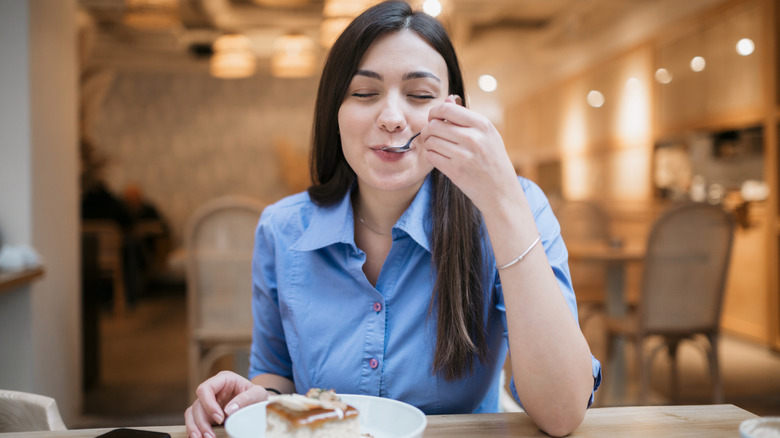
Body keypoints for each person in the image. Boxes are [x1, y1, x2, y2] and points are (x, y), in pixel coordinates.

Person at [184, 2, 601, 437]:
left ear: (452, 111)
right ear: (334, 112)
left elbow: (562, 413)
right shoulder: (282, 229)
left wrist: (501, 201)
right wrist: (255, 400)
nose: (392, 119)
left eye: (420, 95)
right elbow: (276, 377)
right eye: (365, 94)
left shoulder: (515, 207)